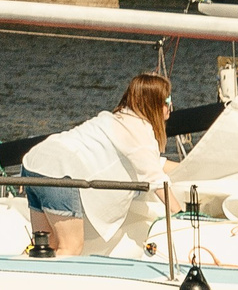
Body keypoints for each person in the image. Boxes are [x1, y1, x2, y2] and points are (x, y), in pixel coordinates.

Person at [20, 72, 174, 256]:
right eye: (168, 99)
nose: (170, 105)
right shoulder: (140, 132)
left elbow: (154, 163)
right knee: (71, 247)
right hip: (58, 172)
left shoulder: (114, 119)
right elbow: (157, 181)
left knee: (45, 245)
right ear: (154, 103)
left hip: (34, 162)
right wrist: (183, 215)